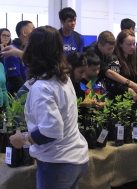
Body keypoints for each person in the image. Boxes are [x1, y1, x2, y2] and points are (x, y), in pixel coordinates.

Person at [9, 26, 89, 189]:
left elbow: (51, 130)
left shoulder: (42, 87)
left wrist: (22, 139)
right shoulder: (63, 77)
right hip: (75, 157)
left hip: (58, 162)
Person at [85, 30, 137, 95]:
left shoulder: (131, 58)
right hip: (89, 83)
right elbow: (108, 72)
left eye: (113, 48)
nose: (111, 51)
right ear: (99, 46)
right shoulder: (92, 53)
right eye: (109, 49)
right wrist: (130, 84)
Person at [106, 29, 137, 101]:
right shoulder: (114, 59)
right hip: (118, 101)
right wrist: (127, 89)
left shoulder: (132, 59)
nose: (132, 47)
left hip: (131, 100)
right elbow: (112, 84)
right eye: (129, 44)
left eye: (134, 44)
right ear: (120, 44)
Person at [4, 20, 35, 94]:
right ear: (24, 33)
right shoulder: (12, 50)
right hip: (19, 96)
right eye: (33, 29)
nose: (35, 32)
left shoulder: (29, 49)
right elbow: (15, 79)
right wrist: (26, 95)